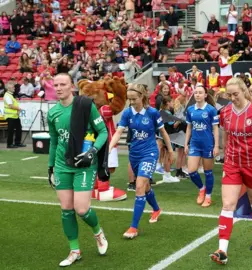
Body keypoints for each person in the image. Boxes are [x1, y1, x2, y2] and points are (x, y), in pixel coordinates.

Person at [210, 78, 252, 265]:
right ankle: (222, 250)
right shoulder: (225, 112)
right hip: (232, 164)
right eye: (228, 95)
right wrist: (224, 155)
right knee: (228, 204)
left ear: (243, 91)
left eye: (235, 94)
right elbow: (226, 138)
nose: (232, 98)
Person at [47, 73, 108, 266]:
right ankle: (75, 250)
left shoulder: (85, 105)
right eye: (55, 84)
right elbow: (54, 143)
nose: (58, 88)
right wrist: (51, 168)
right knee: (66, 209)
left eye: (63, 84)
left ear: (71, 86)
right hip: (62, 165)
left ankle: (98, 233)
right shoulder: (53, 113)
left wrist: (93, 151)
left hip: (84, 164)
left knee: (81, 209)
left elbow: (103, 132)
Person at [109, 83, 175, 239]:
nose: (131, 102)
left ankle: (133, 227)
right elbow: (119, 132)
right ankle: (157, 209)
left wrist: (171, 151)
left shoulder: (152, 113)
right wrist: (110, 147)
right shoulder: (127, 113)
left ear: (142, 97)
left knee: (139, 186)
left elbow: (163, 132)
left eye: (134, 99)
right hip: (134, 154)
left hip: (150, 153)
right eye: (129, 99)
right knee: (144, 188)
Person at [184, 86, 219, 208]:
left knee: (208, 172)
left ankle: (208, 196)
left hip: (208, 144)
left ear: (205, 95)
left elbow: (215, 128)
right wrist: (186, 143)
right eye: (196, 93)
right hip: (194, 144)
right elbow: (189, 127)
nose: (197, 95)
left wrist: (216, 146)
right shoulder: (190, 110)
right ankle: (201, 188)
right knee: (191, 171)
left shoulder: (211, 110)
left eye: (200, 93)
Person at [3, 82, 25, 148]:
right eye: (13, 87)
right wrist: (18, 108)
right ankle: (9, 144)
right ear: (9, 88)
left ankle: (17, 142)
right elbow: (10, 106)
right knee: (11, 131)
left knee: (19, 129)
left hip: (14, 115)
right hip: (10, 116)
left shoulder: (10, 95)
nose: (14, 88)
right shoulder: (7, 96)